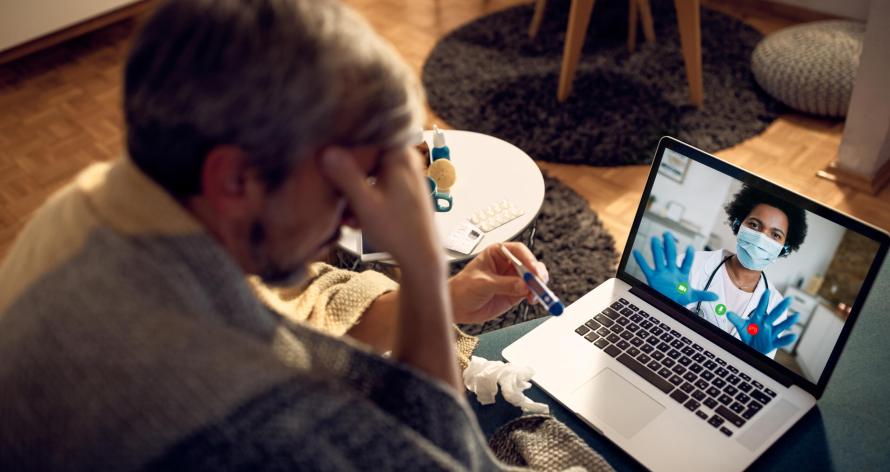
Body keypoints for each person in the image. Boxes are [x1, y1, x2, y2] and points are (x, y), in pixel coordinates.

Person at [0, 0, 552, 469]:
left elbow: (293, 298)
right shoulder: (202, 396)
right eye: (344, 187)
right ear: (236, 178)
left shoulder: (106, 201)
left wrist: (448, 298)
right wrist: (425, 268)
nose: (358, 219)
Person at [633, 185, 807, 357]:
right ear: (739, 224)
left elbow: (755, 375)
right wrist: (658, 302)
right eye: (754, 225)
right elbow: (648, 335)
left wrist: (756, 358)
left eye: (775, 235)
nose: (762, 238)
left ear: (784, 248)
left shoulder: (775, 306)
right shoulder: (692, 266)